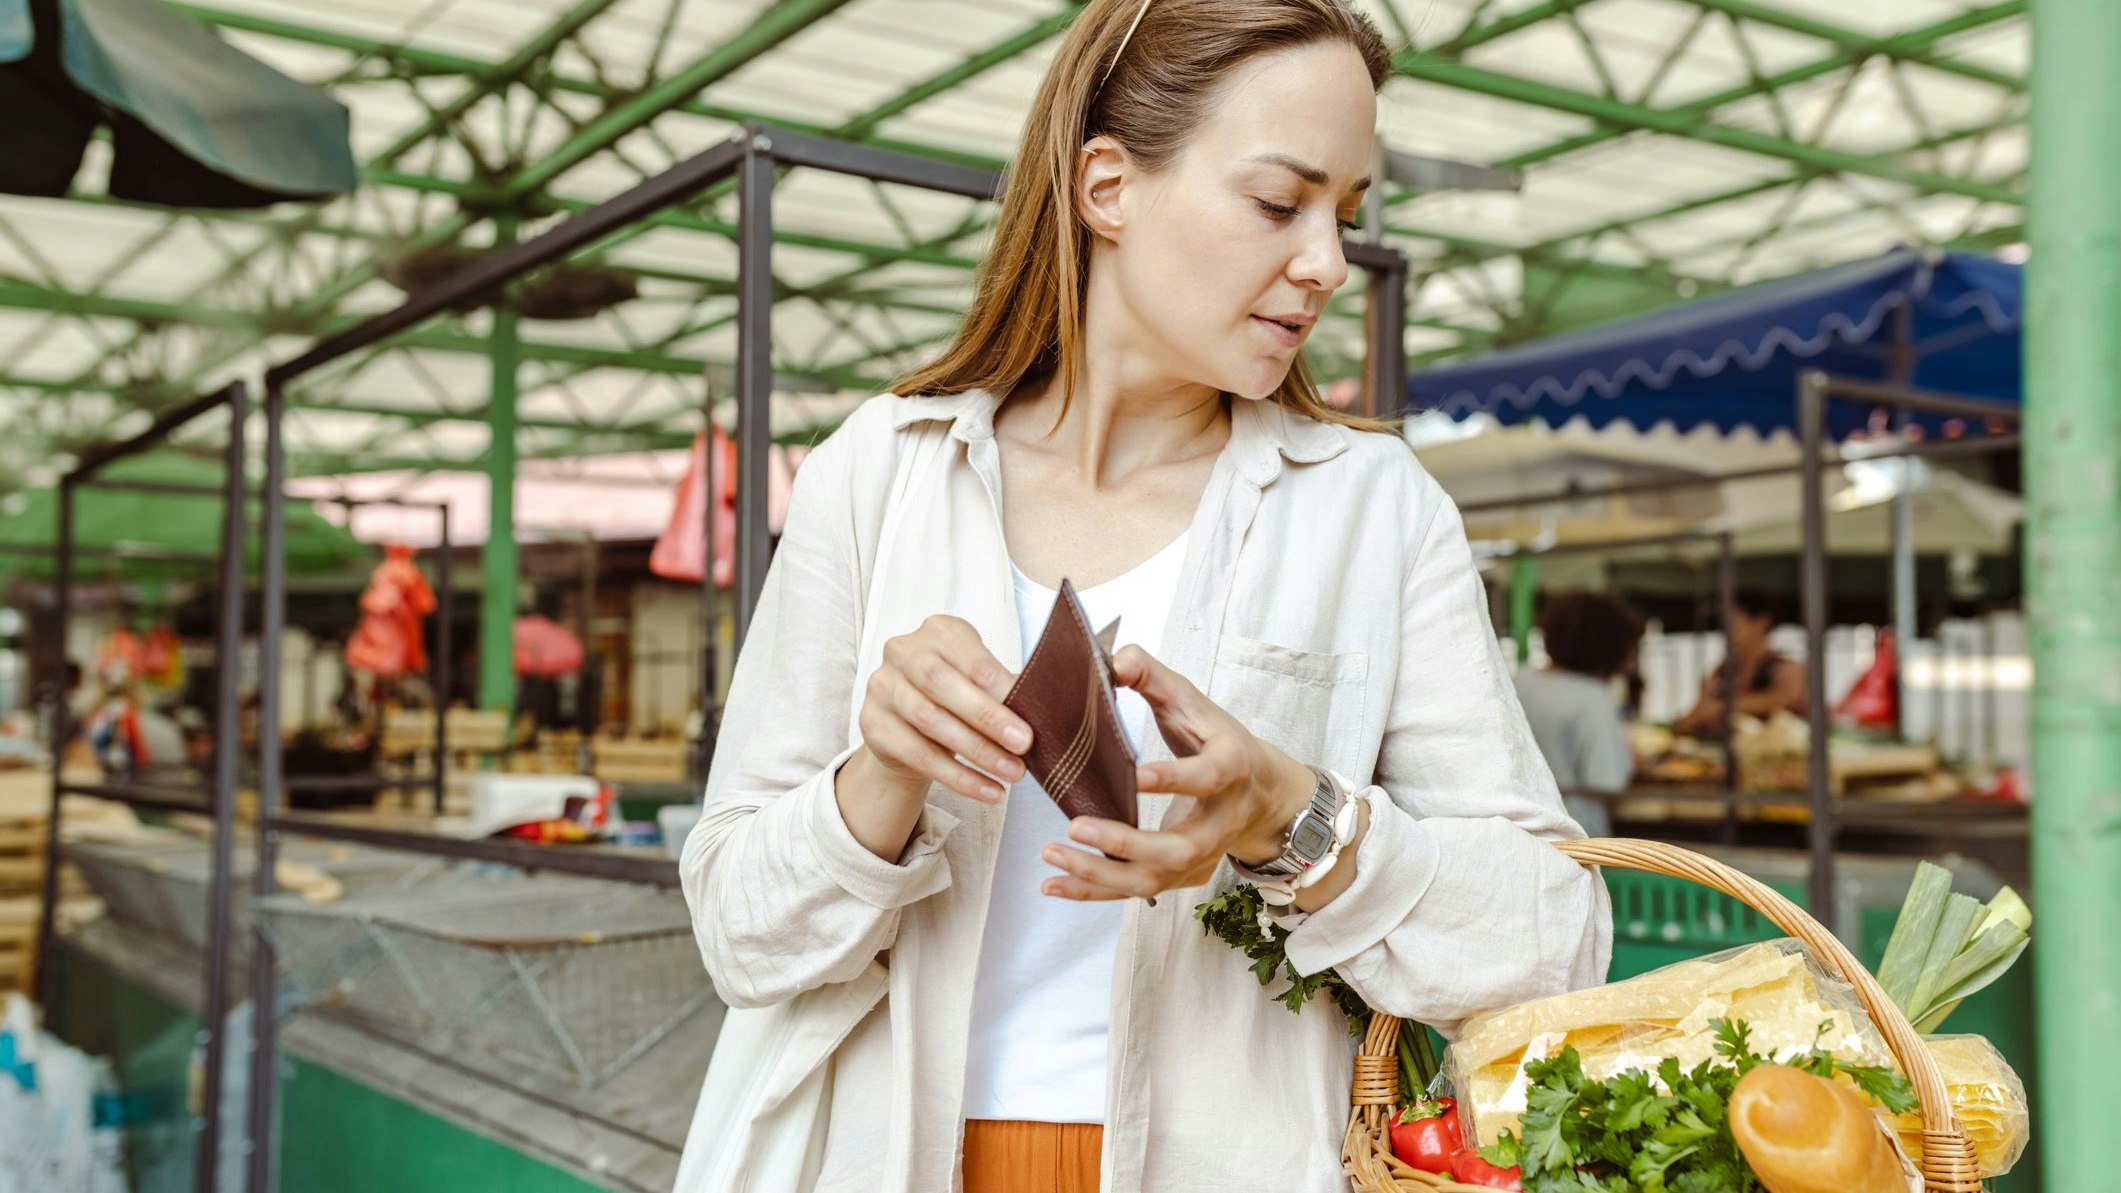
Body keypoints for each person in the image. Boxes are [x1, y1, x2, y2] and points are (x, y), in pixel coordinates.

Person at [675, 3, 1612, 1191]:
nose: (1327, 263)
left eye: (1344, 214)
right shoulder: (877, 471)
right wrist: (883, 773)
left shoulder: (1374, 511)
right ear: (1106, 187)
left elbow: (1553, 940)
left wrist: (1292, 815)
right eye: (1278, 202)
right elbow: (739, 936)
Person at [1513, 592, 1646, 838]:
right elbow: (1608, 781)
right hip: (1577, 832)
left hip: (1520, 826)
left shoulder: (1520, 680)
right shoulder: (1594, 697)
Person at [1674, 587, 1809, 737]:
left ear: (1761, 621)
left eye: (1734, 621)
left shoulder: (1786, 668)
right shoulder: (1721, 672)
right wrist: (1690, 721)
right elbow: (1692, 718)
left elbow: (1780, 699)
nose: (1728, 629)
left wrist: (1721, 707)